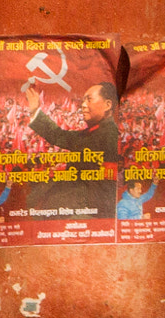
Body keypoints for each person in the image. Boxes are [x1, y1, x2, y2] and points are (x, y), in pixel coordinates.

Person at [22, 81, 119, 218]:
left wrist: (35, 110)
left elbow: (60, 136)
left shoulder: (107, 133)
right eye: (83, 100)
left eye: (89, 100)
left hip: (89, 211)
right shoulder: (98, 131)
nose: (83, 105)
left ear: (108, 105)